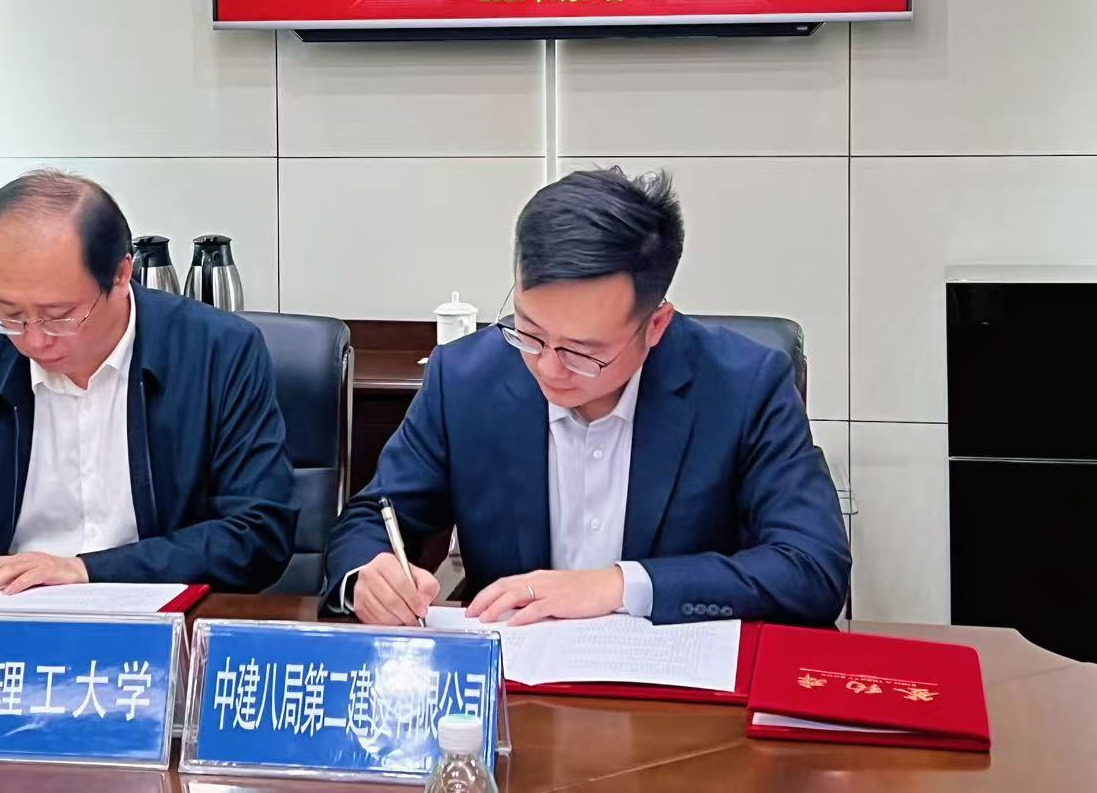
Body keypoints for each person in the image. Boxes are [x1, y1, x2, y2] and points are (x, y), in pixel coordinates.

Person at [324, 167, 849, 627]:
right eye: (530, 332)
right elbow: (373, 517)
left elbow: (813, 567)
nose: (549, 367)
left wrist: (619, 586)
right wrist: (368, 576)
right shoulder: (466, 378)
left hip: (677, 688)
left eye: (583, 352)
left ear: (656, 325)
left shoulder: (743, 386)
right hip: (516, 684)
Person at [0, 170, 296, 595]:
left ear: (121, 274)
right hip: (2, 625)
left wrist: (86, 570)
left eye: (59, 316)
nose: (34, 340)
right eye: (11, 314)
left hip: (160, 625)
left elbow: (257, 533)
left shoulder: (217, 354)